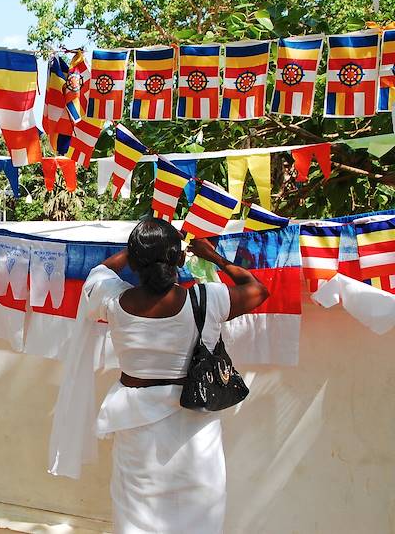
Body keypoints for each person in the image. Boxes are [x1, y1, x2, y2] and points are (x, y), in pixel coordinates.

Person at [83, 217, 269, 534]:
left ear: (136, 261)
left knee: (136, 519)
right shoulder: (208, 299)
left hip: (136, 431)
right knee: (199, 518)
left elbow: (98, 274)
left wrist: (135, 250)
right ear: (180, 258)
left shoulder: (113, 300)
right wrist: (215, 257)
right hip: (197, 430)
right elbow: (258, 290)